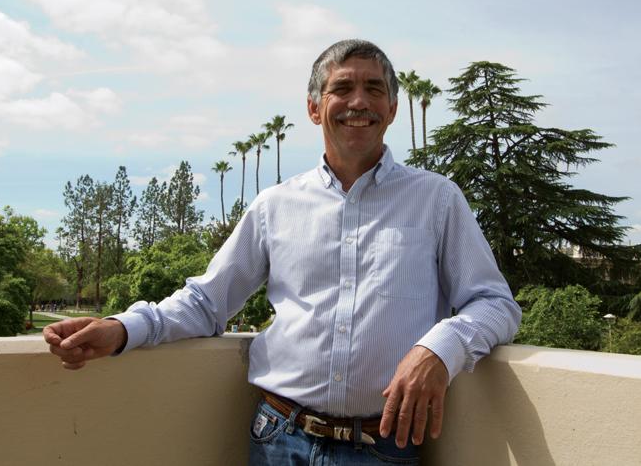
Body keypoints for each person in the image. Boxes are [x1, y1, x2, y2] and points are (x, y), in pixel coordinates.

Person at [44, 39, 522, 465]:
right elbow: (208, 302)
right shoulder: (276, 205)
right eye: (343, 88)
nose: (359, 101)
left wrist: (438, 349)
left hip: (383, 448)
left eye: (375, 89)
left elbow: (495, 303)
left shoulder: (438, 200)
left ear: (393, 108)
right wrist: (121, 328)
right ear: (315, 108)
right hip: (278, 438)